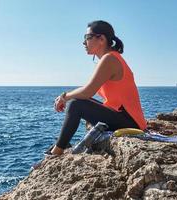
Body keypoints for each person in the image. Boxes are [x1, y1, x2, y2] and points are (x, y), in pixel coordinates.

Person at [51, 20, 147, 155]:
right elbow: (87, 90)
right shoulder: (110, 58)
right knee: (76, 103)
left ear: (101, 39)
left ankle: (56, 152)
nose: (84, 42)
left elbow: (88, 91)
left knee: (75, 105)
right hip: (126, 118)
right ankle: (60, 147)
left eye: (87, 37)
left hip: (130, 123)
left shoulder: (110, 59)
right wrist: (66, 97)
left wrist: (64, 97)